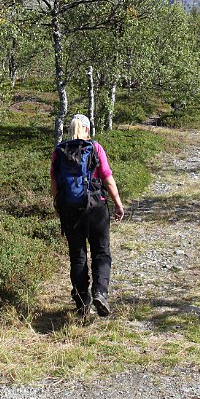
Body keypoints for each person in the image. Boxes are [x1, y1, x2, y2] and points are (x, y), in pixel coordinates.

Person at [50, 113, 125, 317]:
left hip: (70, 210)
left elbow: (54, 181)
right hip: (96, 208)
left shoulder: (59, 151)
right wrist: (118, 203)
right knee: (101, 251)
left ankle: (82, 302)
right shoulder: (95, 148)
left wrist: (59, 207)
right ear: (85, 129)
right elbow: (107, 178)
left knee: (78, 256)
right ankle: (100, 293)